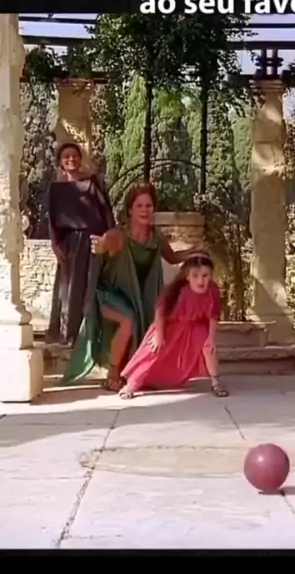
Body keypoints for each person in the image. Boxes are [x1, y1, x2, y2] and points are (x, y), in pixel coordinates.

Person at [63, 182, 198, 391]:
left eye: (149, 205)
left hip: (136, 297)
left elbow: (171, 257)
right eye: (139, 206)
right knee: (129, 319)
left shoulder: (156, 237)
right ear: (129, 210)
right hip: (107, 296)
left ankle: (138, 370)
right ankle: (113, 374)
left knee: (156, 319)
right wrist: (100, 246)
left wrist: (194, 251)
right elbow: (104, 244)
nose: (145, 210)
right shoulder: (118, 236)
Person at [119, 253, 228, 399]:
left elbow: (213, 315)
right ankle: (131, 385)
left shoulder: (212, 290)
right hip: (170, 325)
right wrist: (159, 334)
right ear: (187, 276)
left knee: (208, 347)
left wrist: (211, 338)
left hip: (195, 326)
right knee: (155, 349)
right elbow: (161, 311)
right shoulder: (178, 291)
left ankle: (216, 383)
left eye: (205, 275)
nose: (200, 280)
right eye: (195, 276)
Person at [46, 142, 115, 346]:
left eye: (74, 155)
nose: (71, 159)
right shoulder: (56, 189)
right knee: (70, 289)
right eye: (66, 156)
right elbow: (52, 219)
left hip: (94, 240)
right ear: (60, 162)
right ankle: (70, 335)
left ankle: (94, 333)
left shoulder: (92, 182)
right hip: (70, 243)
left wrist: (110, 236)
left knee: (93, 284)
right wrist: (55, 244)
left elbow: (106, 211)